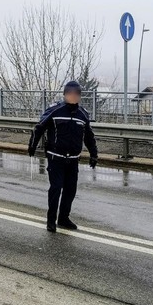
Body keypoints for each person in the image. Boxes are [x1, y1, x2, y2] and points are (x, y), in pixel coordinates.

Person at [28, 81, 98, 232]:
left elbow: (89, 136)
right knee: (56, 188)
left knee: (70, 190)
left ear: (79, 96)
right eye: (70, 93)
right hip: (56, 158)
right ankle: (51, 220)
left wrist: (94, 154)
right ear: (65, 94)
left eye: (76, 94)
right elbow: (39, 127)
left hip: (73, 160)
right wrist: (32, 145)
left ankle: (63, 218)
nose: (73, 96)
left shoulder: (83, 115)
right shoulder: (55, 110)